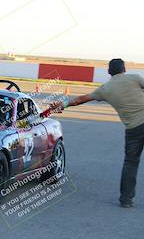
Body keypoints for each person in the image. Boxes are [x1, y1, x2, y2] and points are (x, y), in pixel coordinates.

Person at [50, 59, 144, 208]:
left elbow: (82, 99)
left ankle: (126, 199)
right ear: (124, 69)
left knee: (131, 163)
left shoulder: (105, 89)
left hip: (133, 129)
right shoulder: (135, 78)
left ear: (109, 71)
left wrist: (63, 105)